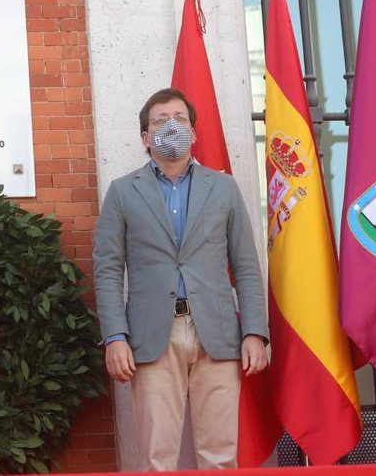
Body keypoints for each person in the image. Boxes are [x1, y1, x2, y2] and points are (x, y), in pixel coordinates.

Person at [92, 87, 268, 470]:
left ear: (194, 132)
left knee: (220, 457)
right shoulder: (122, 192)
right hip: (153, 335)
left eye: (180, 120)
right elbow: (107, 269)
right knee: (157, 458)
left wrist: (254, 330)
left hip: (217, 334)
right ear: (145, 137)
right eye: (160, 121)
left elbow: (246, 265)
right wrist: (115, 337)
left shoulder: (222, 188)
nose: (171, 126)